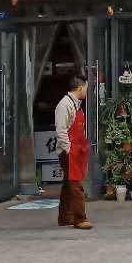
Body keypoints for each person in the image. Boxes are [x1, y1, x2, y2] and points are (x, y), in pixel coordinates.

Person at [55, 75, 92, 230]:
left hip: (77, 150)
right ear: (80, 88)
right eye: (86, 88)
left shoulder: (76, 104)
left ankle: (65, 217)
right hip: (69, 152)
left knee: (68, 185)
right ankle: (80, 219)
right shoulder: (64, 105)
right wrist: (69, 150)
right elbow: (61, 131)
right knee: (76, 186)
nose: (87, 91)